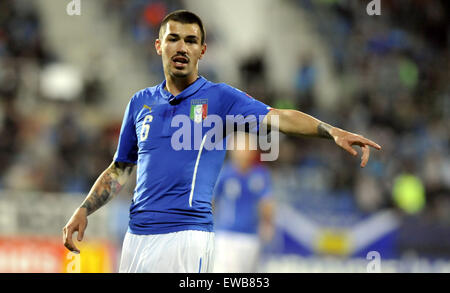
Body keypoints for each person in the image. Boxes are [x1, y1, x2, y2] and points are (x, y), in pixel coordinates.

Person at [62, 10, 381, 273]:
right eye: (173, 39)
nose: (182, 47)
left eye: (191, 40)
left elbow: (279, 118)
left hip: (185, 239)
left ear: (202, 50)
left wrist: (330, 130)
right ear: (159, 45)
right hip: (136, 237)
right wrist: (84, 209)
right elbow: (120, 170)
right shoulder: (139, 103)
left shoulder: (220, 98)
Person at [213, 133, 275, 273]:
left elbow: (267, 202)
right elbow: (212, 201)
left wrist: (267, 223)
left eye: (247, 147)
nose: (244, 151)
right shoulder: (224, 173)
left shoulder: (260, 174)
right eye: (240, 147)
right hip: (226, 235)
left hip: (251, 236)